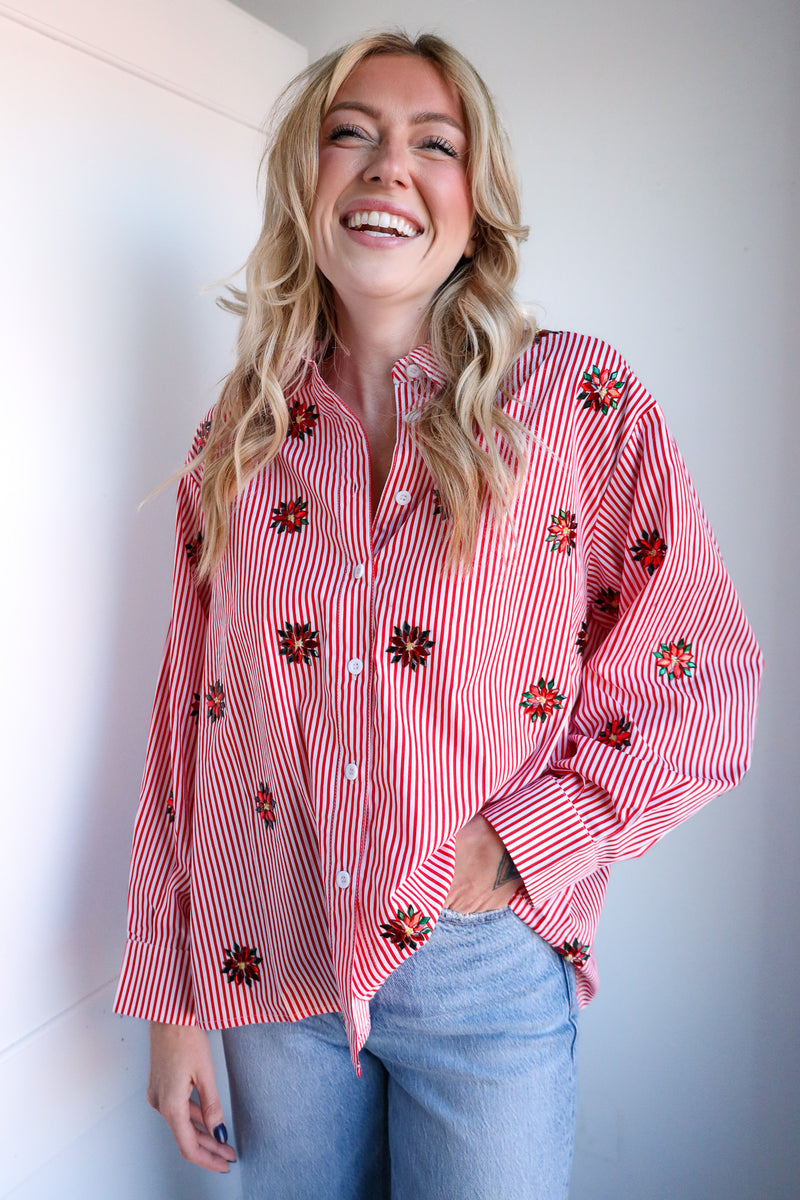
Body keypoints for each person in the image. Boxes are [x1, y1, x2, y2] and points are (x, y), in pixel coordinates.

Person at [114, 30, 762, 1200]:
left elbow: (697, 673)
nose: (386, 167)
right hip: (275, 964)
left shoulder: (575, 402)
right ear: (302, 186)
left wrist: (516, 850)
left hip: (481, 976)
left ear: (476, 205)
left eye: (433, 143)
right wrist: (170, 1001)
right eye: (348, 134)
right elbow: (187, 729)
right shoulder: (238, 441)